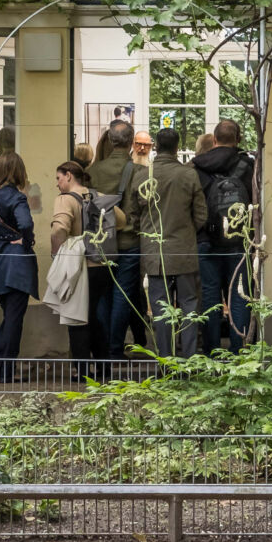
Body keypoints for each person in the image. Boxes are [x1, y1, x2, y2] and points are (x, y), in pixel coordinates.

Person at [134, 125, 207, 358]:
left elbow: (133, 215)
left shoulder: (142, 175)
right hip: (184, 251)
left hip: (155, 253)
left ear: (156, 146)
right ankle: (187, 359)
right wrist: (186, 232)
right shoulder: (188, 174)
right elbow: (201, 214)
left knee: (161, 310)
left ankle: (164, 361)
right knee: (188, 307)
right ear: (177, 147)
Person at [191, 118, 255, 353]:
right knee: (239, 295)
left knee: (210, 296)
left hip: (206, 241)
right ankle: (240, 352)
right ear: (238, 140)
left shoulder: (196, 167)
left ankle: (211, 352)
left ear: (214, 139)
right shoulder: (248, 166)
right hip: (239, 242)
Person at [48, 160, 114, 381]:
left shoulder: (65, 200)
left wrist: (57, 251)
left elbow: (59, 228)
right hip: (102, 264)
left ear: (68, 176)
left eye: (58, 178)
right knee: (94, 317)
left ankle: (83, 371)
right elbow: (120, 220)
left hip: (80, 266)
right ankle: (105, 368)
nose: (57, 184)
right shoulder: (99, 196)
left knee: (76, 318)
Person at [89, 121, 148, 362]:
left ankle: (102, 349)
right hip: (129, 241)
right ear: (131, 141)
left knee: (103, 295)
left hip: (101, 240)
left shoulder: (93, 171)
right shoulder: (140, 172)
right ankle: (114, 348)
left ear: (110, 140)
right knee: (123, 294)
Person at [0, 151, 37, 383]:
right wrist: (26, 239)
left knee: (8, 317)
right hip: (16, 265)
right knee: (14, 319)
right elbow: (25, 223)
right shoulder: (16, 197)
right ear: (17, 171)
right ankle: (4, 372)